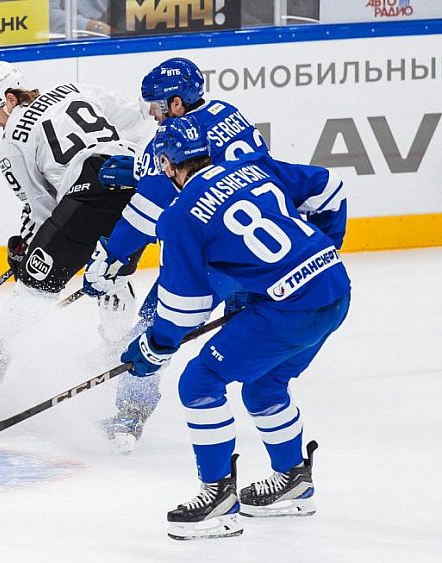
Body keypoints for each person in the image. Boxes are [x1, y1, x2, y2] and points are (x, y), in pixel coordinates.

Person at [122, 116, 349, 540]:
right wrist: (322, 249)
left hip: (290, 309)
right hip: (334, 286)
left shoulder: (179, 216)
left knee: (199, 382)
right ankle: (294, 482)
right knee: (264, 387)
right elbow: (328, 188)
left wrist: (154, 347)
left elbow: (183, 309)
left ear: (170, 164)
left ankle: (218, 498)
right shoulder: (251, 167)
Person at [82, 57, 271, 452]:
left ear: (176, 103)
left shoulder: (169, 139)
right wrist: (142, 169)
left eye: (156, 106)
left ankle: (130, 414)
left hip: (208, 257)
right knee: (249, 338)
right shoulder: (229, 114)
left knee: (153, 327)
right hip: (262, 254)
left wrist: (108, 260)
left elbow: (144, 215)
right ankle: (267, 403)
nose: (153, 115)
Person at [0, 60, 153, 406]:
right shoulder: (74, 89)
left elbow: (43, 206)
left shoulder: (12, 140)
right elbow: (135, 117)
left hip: (87, 195)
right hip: (135, 187)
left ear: (9, 98)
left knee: (30, 292)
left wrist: (28, 250)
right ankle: (118, 366)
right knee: (111, 276)